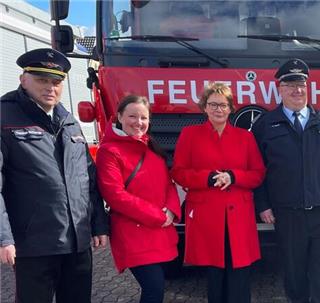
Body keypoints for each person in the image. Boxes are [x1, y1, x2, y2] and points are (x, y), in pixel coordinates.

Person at [0, 48, 109, 303]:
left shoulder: (68, 121)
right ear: (23, 79)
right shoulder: (5, 118)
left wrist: (98, 224)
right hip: (34, 245)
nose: (50, 87)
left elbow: (88, 179)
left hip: (77, 242)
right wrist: (4, 237)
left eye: (56, 82)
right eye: (41, 80)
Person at [252, 58, 320, 303]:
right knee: (295, 278)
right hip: (288, 215)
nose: (297, 90)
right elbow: (256, 169)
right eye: (291, 85)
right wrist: (262, 205)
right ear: (280, 89)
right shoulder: (265, 125)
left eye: (301, 84)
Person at [171, 83, 265, 303]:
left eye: (223, 105)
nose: (218, 109)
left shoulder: (245, 137)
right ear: (204, 107)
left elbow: (258, 173)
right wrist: (207, 178)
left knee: (240, 274)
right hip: (207, 214)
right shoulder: (190, 134)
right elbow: (178, 172)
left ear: (231, 108)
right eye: (213, 104)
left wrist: (233, 177)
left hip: (239, 215)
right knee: (215, 275)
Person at [95, 95, 181, 303]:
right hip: (134, 233)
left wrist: (170, 210)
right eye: (132, 116)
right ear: (119, 117)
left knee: (157, 289)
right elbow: (115, 195)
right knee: (153, 289)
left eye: (144, 117)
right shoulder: (109, 151)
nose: (139, 122)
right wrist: (158, 216)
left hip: (160, 230)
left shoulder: (151, 146)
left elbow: (168, 184)